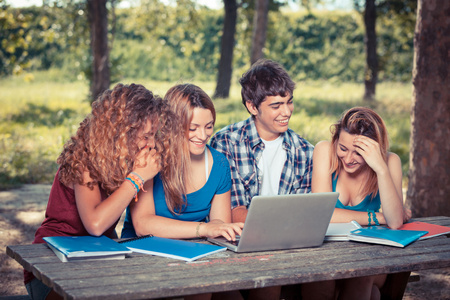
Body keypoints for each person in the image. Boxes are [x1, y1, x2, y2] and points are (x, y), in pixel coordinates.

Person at [24, 83, 179, 300]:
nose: (151, 144)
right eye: (146, 136)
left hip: (101, 257)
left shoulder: (136, 159)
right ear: (121, 132)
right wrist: (137, 177)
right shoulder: (83, 157)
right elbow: (95, 224)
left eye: (154, 134)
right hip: (53, 262)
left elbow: (144, 220)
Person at [121, 84, 243, 300]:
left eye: (208, 126)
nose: (203, 135)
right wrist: (204, 228)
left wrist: (215, 228)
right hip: (144, 253)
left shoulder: (219, 164)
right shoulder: (148, 158)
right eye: (193, 128)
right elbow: (143, 225)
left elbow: (219, 224)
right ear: (174, 125)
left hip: (194, 254)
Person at [210, 59, 314, 299]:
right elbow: (234, 214)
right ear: (252, 106)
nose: (286, 112)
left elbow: (305, 215)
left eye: (289, 102)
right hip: (238, 245)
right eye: (276, 105)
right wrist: (286, 228)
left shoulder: (304, 151)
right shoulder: (226, 143)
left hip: (289, 249)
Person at [302, 106, 412, 300]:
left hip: (368, 257)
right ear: (336, 140)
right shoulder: (325, 150)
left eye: (359, 153)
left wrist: (380, 168)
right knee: (325, 277)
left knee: (363, 274)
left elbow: (395, 222)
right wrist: (377, 216)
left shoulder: (390, 162)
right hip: (326, 254)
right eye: (343, 148)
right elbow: (321, 214)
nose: (349, 159)